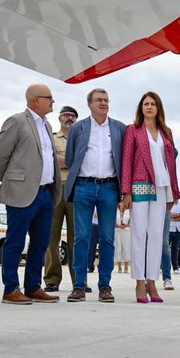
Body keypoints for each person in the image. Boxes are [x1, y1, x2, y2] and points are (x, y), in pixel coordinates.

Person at [0, 84, 61, 305]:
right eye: (49, 98)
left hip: (45, 193)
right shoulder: (17, 121)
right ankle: (10, 289)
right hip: (22, 192)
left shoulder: (47, 125)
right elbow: (0, 154)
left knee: (41, 243)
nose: (53, 101)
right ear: (35, 100)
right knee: (15, 241)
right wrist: (11, 179)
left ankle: (33, 287)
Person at [64, 88, 126, 303]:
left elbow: (123, 159)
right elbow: (72, 159)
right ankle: (79, 285)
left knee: (108, 238)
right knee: (81, 237)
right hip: (84, 186)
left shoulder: (119, 128)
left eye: (106, 100)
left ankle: (105, 286)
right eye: (99, 100)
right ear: (89, 104)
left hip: (110, 187)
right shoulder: (78, 128)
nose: (103, 103)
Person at [120, 91, 180, 303]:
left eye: (153, 104)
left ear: (158, 108)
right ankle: (139, 281)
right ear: (141, 108)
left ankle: (152, 281)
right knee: (138, 233)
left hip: (162, 188)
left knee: (157, 236)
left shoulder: (166, 132)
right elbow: (126, 161)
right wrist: (126, 192)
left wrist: (174, 190)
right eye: (145, 104)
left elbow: (171, 164)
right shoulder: (133, 130)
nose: (149, 107)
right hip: (139, 185)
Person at [44, 105, 78, 292]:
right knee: (51, 237)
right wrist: (69, 161)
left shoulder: (80, 138)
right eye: (66, 115)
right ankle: (52, 279)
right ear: (59, 118)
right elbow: (49, 159)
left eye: (73, 116)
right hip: (55, 189)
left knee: (77, 237)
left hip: (75, 190)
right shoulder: (51, 137)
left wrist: (64, 160)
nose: (69, 118)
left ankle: (78, 280)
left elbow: (81, 161)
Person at [168, 201, 180, 273]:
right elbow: (168, 215)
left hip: (179, 229)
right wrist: (179, 214)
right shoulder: (169, 204)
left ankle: (175, 267)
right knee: (165, 248)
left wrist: (173, 218)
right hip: (170, 229)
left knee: (175, 248)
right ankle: (161, 267)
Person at [114, 208, 131, 274]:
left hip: (126, 231)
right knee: (118, 248)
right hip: (117, 231)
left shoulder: (128, 211)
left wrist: (126, 225)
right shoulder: (116, 211)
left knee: (126, 248)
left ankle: (126, 266)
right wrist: (118, 225)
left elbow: (132, 222)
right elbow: (112, 221)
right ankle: (119, 267)